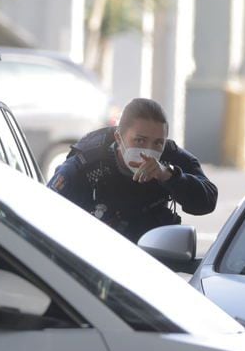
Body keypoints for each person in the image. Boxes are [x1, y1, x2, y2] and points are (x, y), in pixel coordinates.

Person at [49, 97, 218, 242]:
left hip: (153, 257)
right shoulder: (87, 161)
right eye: (139, 140)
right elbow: (46, 213)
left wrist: (168, 176)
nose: (148, 150)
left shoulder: (170, 157)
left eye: (158, 143)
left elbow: (207, 201)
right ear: (118, 137)